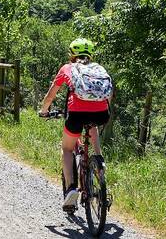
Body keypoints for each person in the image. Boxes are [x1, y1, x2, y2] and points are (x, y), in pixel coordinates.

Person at [39, 38, 112, 212]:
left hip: (77, 114)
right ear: (90, 54)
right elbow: (108, 95)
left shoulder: (67, 68)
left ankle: (71, 189)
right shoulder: (99, 70)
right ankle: (99, 161)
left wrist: (43, 111)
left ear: (72, 54)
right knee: (92, 124)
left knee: (67, 149)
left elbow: (51, 96)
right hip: (102, 113)